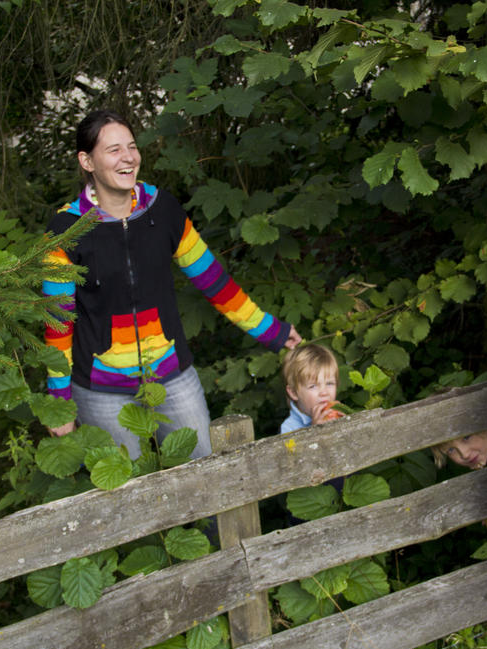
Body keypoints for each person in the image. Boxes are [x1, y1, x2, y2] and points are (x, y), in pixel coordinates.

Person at [43, 109, 301, 460]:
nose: (128, 157)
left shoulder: (162, 210)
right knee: (128, 498)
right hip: (101, 392)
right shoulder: (65, 230)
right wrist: (58, 398)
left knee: (208, 480)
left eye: (132, 146)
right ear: (87, 161)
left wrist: (271, 330)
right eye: (114, 150)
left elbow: (214, 282)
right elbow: (58, 323)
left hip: (172, 376)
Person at [280, 343, 344, 434]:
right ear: (294, 392)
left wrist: (346, 425)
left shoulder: (338, 413)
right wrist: (314, 432)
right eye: (313, 386)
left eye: (329, 383)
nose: (324, 392)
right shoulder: (289, 428)